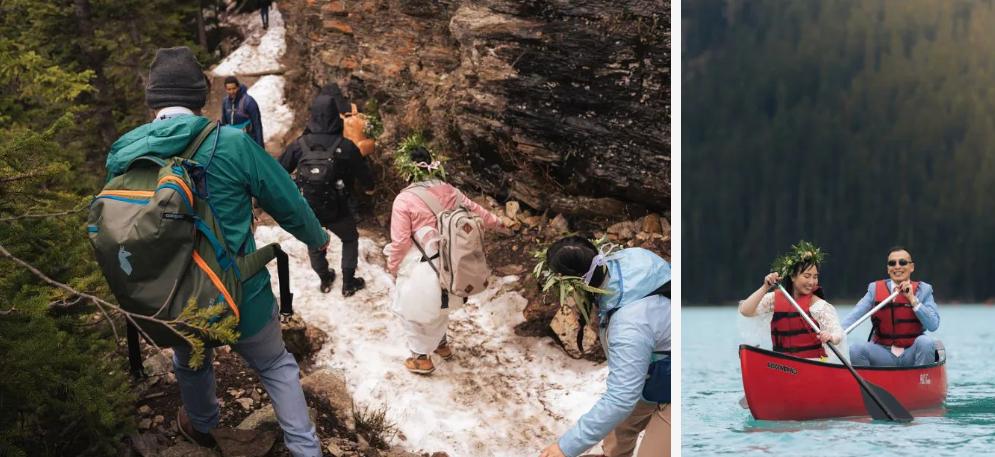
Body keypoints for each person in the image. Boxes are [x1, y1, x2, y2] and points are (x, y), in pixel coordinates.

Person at [107, 47, 328, 457]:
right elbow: (287, 202)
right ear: (200, 96)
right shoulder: (231, 144)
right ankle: (305, 449)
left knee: (190, 356)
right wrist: (316, 238)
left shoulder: (124, 150)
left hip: (170, 294)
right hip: (239, 291)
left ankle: (204, 425)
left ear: (152, 100)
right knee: (277, 367)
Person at [539, 236, 670, 457]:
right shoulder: (630, 258)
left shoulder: (628, 327)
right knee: (617, 434)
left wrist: (564, 448)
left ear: (574, 285)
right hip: (655, 370)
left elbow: (621, 398)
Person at [383, 146, 504, 374]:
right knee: (441, 304)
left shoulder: (404, 200)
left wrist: (393, 266)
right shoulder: (449, 190)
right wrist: (499, 222)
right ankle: (441, 345)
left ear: (406, 169)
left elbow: (400, 242)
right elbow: (478, 212)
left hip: (421, 263)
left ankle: (421, 358)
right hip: (452, 263)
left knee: (414, 310)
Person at [280, 84, 374, 296]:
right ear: (336, 117)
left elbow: (279, 170)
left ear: (311, 116)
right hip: (339, 208)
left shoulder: (300, 145)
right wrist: (369, 188)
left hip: (309, 207)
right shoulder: (346, 146)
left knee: (315, 240)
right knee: (349, 239)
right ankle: (349, 283)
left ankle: (325, 278)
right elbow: (364, 174)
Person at [738, 242, 844, 362]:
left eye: (815, 277)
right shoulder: (774, 299)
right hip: (783, 364)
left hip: (814, 363)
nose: (811, 282)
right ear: (793, 276)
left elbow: (838, 334)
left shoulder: (819, 306)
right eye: (807, 276)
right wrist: (765, 287)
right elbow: (745, 311)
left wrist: (830, 337)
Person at [841, 246, 939, 367]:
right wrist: (836, 333)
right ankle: (868, 383)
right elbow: (855, 315)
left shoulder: (924, 290)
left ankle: (921, 383)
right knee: (856, 349)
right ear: (888, 269)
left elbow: (933, 325)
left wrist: (913, 299)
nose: (897, 266)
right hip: (883, 353)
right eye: (892, 263)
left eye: (902, 262)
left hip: (911, 352)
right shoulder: (874, 289)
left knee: (926, 343)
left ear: (911, 267)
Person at [221, 76, 264, 147]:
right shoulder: (225, 102)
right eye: (229, 89)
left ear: (238, 87)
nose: (232, 92)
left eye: (234, 88)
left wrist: (260, 147)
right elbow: (224, 123)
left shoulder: (248, 101)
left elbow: (257, 125)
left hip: (247, 140)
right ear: (225, 89)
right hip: (232, 141)